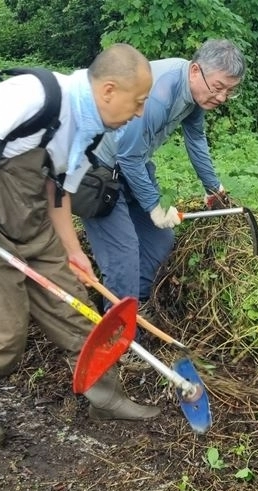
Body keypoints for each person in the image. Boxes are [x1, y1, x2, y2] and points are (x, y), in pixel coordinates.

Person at [0, 43, 159, 448]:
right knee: (0, 329)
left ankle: (105, 397)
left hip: (30, 221)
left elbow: (56, 189)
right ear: (108, 90)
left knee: (79, 310)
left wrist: (72, 250)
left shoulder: (88, 131)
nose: (139, 112)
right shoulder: (36, 94)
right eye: (137, 101)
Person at [81, 39, 245, 310]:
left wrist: (213, 188)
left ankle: (139, 310)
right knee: (124, 255)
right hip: (96, 171)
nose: (222, 97)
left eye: (230, 91)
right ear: (195, 71)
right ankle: (119, 339)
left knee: (158, 241)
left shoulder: (194, 95)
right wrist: (153, 206)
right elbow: (127, 155)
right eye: (218, 87)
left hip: (132, 165)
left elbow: (196, 139)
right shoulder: (159, 93)